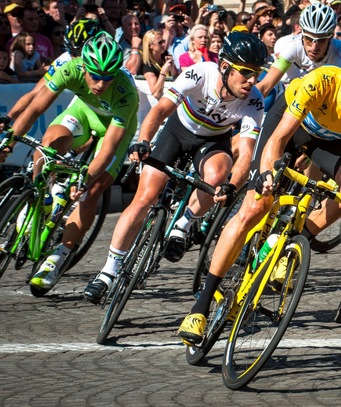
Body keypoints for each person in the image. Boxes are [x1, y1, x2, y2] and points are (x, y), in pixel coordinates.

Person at [177, 37, 341, 345]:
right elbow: (278, 140)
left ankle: (294, 244)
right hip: (292, 125)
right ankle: (200, 307)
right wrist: (267, 174)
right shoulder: (319, 81)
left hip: (330, 140)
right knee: (255, 207)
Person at [83, 32, 268, 305]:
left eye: (257, 73)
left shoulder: (254, 101)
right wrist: (144, 141)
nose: (252, 80)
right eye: (246, 72)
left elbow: (247, 155)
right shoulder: (199, 74)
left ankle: (182, 225)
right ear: (226, 67)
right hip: (177, 132)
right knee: (145, 198)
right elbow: (159, 111)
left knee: (218, 177)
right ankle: (108, 272)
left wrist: (233, 185)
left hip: (213, 141)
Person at [0, 32, 139, 290]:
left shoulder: (125, 92)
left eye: (107, 77)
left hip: (116, 127)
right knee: (45, 149)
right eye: (95, 75)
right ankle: (40, 202)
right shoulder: (70, 69)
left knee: (93, 190)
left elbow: (108, 149)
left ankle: (59, 256)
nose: (101, 83)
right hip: (85, 112)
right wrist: (9, 142)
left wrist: (85, 180)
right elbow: (34, 109)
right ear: (84, 66)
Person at [1, 19, 100, 129]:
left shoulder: (107, 62)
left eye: (80, 54)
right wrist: (9, 117)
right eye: (72, 53)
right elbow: (34, 94)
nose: (75, 59)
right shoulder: (64, 60)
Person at [257, 3, 341, 96]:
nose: (314, 47)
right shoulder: (292, 46)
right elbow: (265, 86)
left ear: (330, 37)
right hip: (294, 93)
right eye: (309, 39)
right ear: (302, 35)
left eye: (321, 40)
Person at [142, 29, 176, 99]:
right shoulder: (147, 66)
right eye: (160, 43)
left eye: (163, 41)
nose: (163, 44)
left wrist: (172, 68)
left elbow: (177, 77)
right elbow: (156, 93)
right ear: (150, 46)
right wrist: (163, 72)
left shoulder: (165, 56)